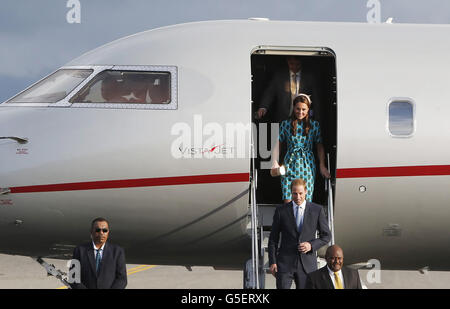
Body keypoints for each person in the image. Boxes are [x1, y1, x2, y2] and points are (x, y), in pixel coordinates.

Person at [268, 178, 331, 289]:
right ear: (291, 193)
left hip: (307, 265)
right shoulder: (281, 211)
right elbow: (273, 239)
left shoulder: (317, 210)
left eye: (301, 193)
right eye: (295, 194)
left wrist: (311, 245)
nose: (298, 197)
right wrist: (272, 262)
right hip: (285, 264)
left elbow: (326, 236)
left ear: (306, 191)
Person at [272, 94, 330, 202]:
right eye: (298, 109)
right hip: (289, 164)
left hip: (307, 166)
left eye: (304, 109)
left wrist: (322, 165)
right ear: (293, 108)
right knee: (288, 201)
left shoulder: (314, 125)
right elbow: (277, 144)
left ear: (308, 109)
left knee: (305, 203)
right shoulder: (286, 124)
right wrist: (275, 162)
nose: (300, 112)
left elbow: (319, 146)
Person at [255, 56, 318, 123]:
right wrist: (263, 107)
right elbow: (270, 92)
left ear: (301, 63)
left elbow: (316, 99)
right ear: (287, 61)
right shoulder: (279, 76)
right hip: (282, 118)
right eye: (291, 64)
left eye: (297, 64)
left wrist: (317, 119)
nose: (294, 67)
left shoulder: (310, 77)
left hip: (303, 119)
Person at [70, 217, 127, 289]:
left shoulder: (117, 252)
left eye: (104, 230)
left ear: (108, 232)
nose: (101, 233)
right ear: (91, 231)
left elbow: (122, 279)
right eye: (98, 230)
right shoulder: (79, 250)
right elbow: (73, 278)